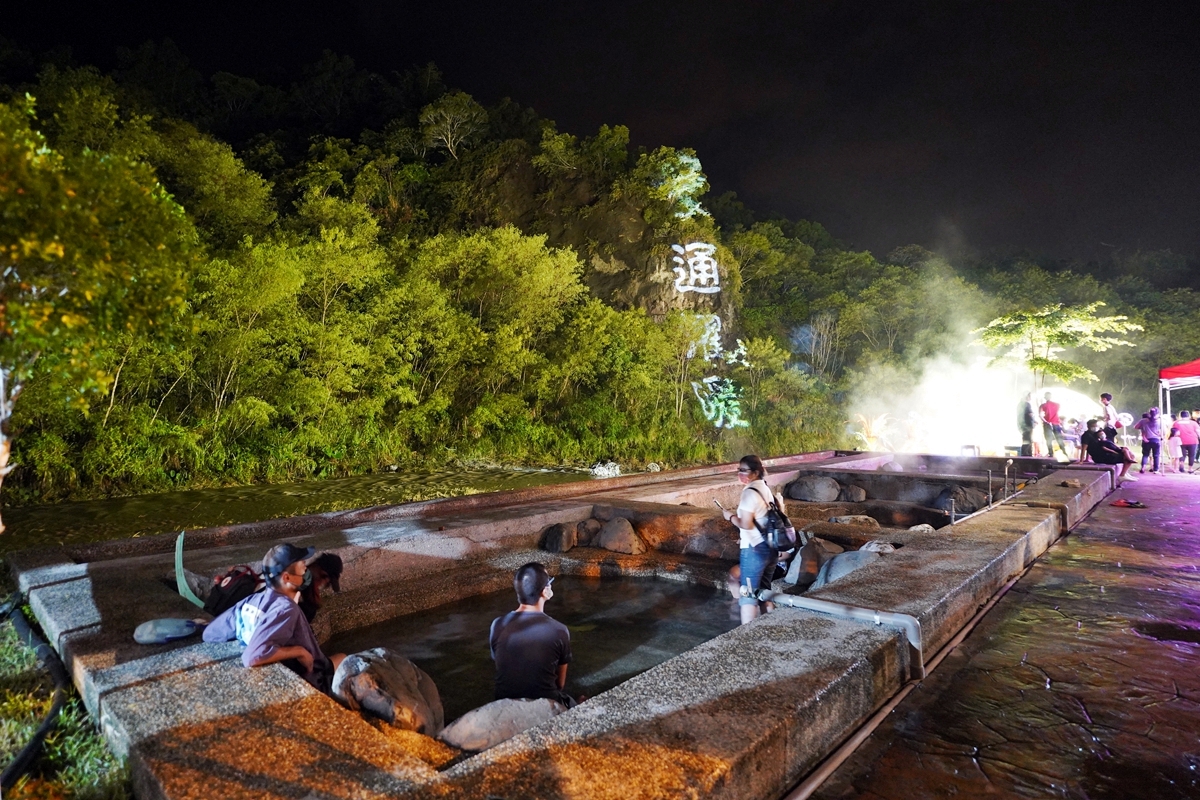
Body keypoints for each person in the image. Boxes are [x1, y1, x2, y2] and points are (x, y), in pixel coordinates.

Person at [202, 543, 345, 693]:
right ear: (287, 577)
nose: (305, 570)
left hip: (294, 666)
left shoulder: (255, 599)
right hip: (312, 678)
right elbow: (252, 656)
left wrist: (248, 633)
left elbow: (209, 633)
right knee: (345, 658)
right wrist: (299, 651)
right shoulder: (286, 609)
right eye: (302, 566)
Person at [489, 562, 576, 708]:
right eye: (549, 583)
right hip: (544, 705)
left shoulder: (497, 625)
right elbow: (560, 684)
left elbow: (503, 668)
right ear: (544, 591)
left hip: (504, 703)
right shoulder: (559, 630)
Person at [720, 455, 780, 625]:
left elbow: (745, 524)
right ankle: (770, 628)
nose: (740, 473)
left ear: (755, 472)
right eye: (738, 470)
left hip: (755, 550)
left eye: (743, 470)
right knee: (764, 593)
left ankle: (746, 637)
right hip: (771, 548)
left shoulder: (749, 493)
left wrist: (729, 517)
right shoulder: (765, 489)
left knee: (748, 595)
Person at [1131, 408, 1162, 474]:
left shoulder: (1143, 421)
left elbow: (1135, 427)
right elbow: (1162, 432)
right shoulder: (1160, 421)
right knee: (1156, 455)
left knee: (1145, 455)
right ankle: (1156, 470)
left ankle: (1143, 468)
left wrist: (1142, 427)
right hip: (1156, 440)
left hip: (1146, 439)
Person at [1038, 391, 1068, 459]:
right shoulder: (1057, 404)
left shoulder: (1042, 405)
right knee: (1059, 438)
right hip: (1056, 423)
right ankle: (1064, 452)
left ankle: (1051, 453)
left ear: (1045, 397)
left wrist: (1046, 421)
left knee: (1048, 439)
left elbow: (1040, 415)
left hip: (1047, 424)